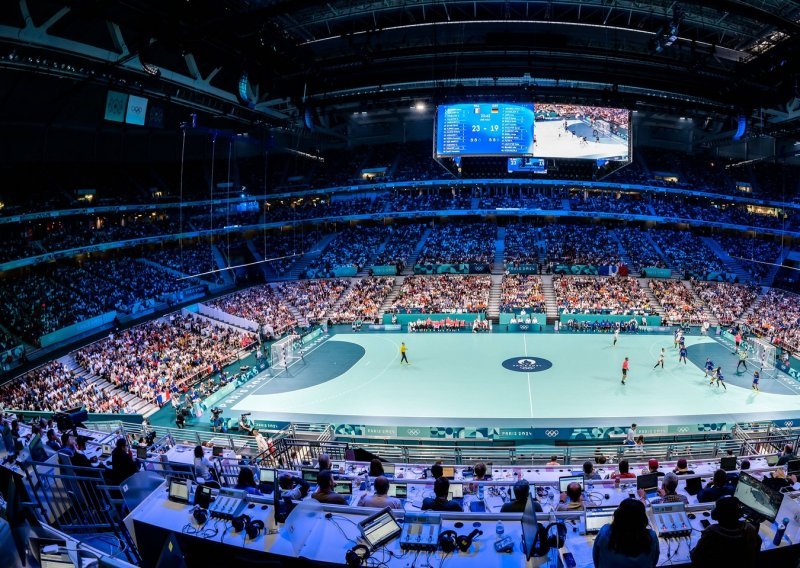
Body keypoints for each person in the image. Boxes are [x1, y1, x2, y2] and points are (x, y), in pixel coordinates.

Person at [689, 496, 761, 568]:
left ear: (715, 514)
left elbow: (695, 556)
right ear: (739, 514)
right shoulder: (749, 529)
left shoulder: (711, 531)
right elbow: (757, 549)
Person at [592, 498, 659, 568]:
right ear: (643, 518)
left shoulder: (604, 533)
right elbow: (654, 562)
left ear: (617, 515)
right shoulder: (651, 537)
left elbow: (596, 560)